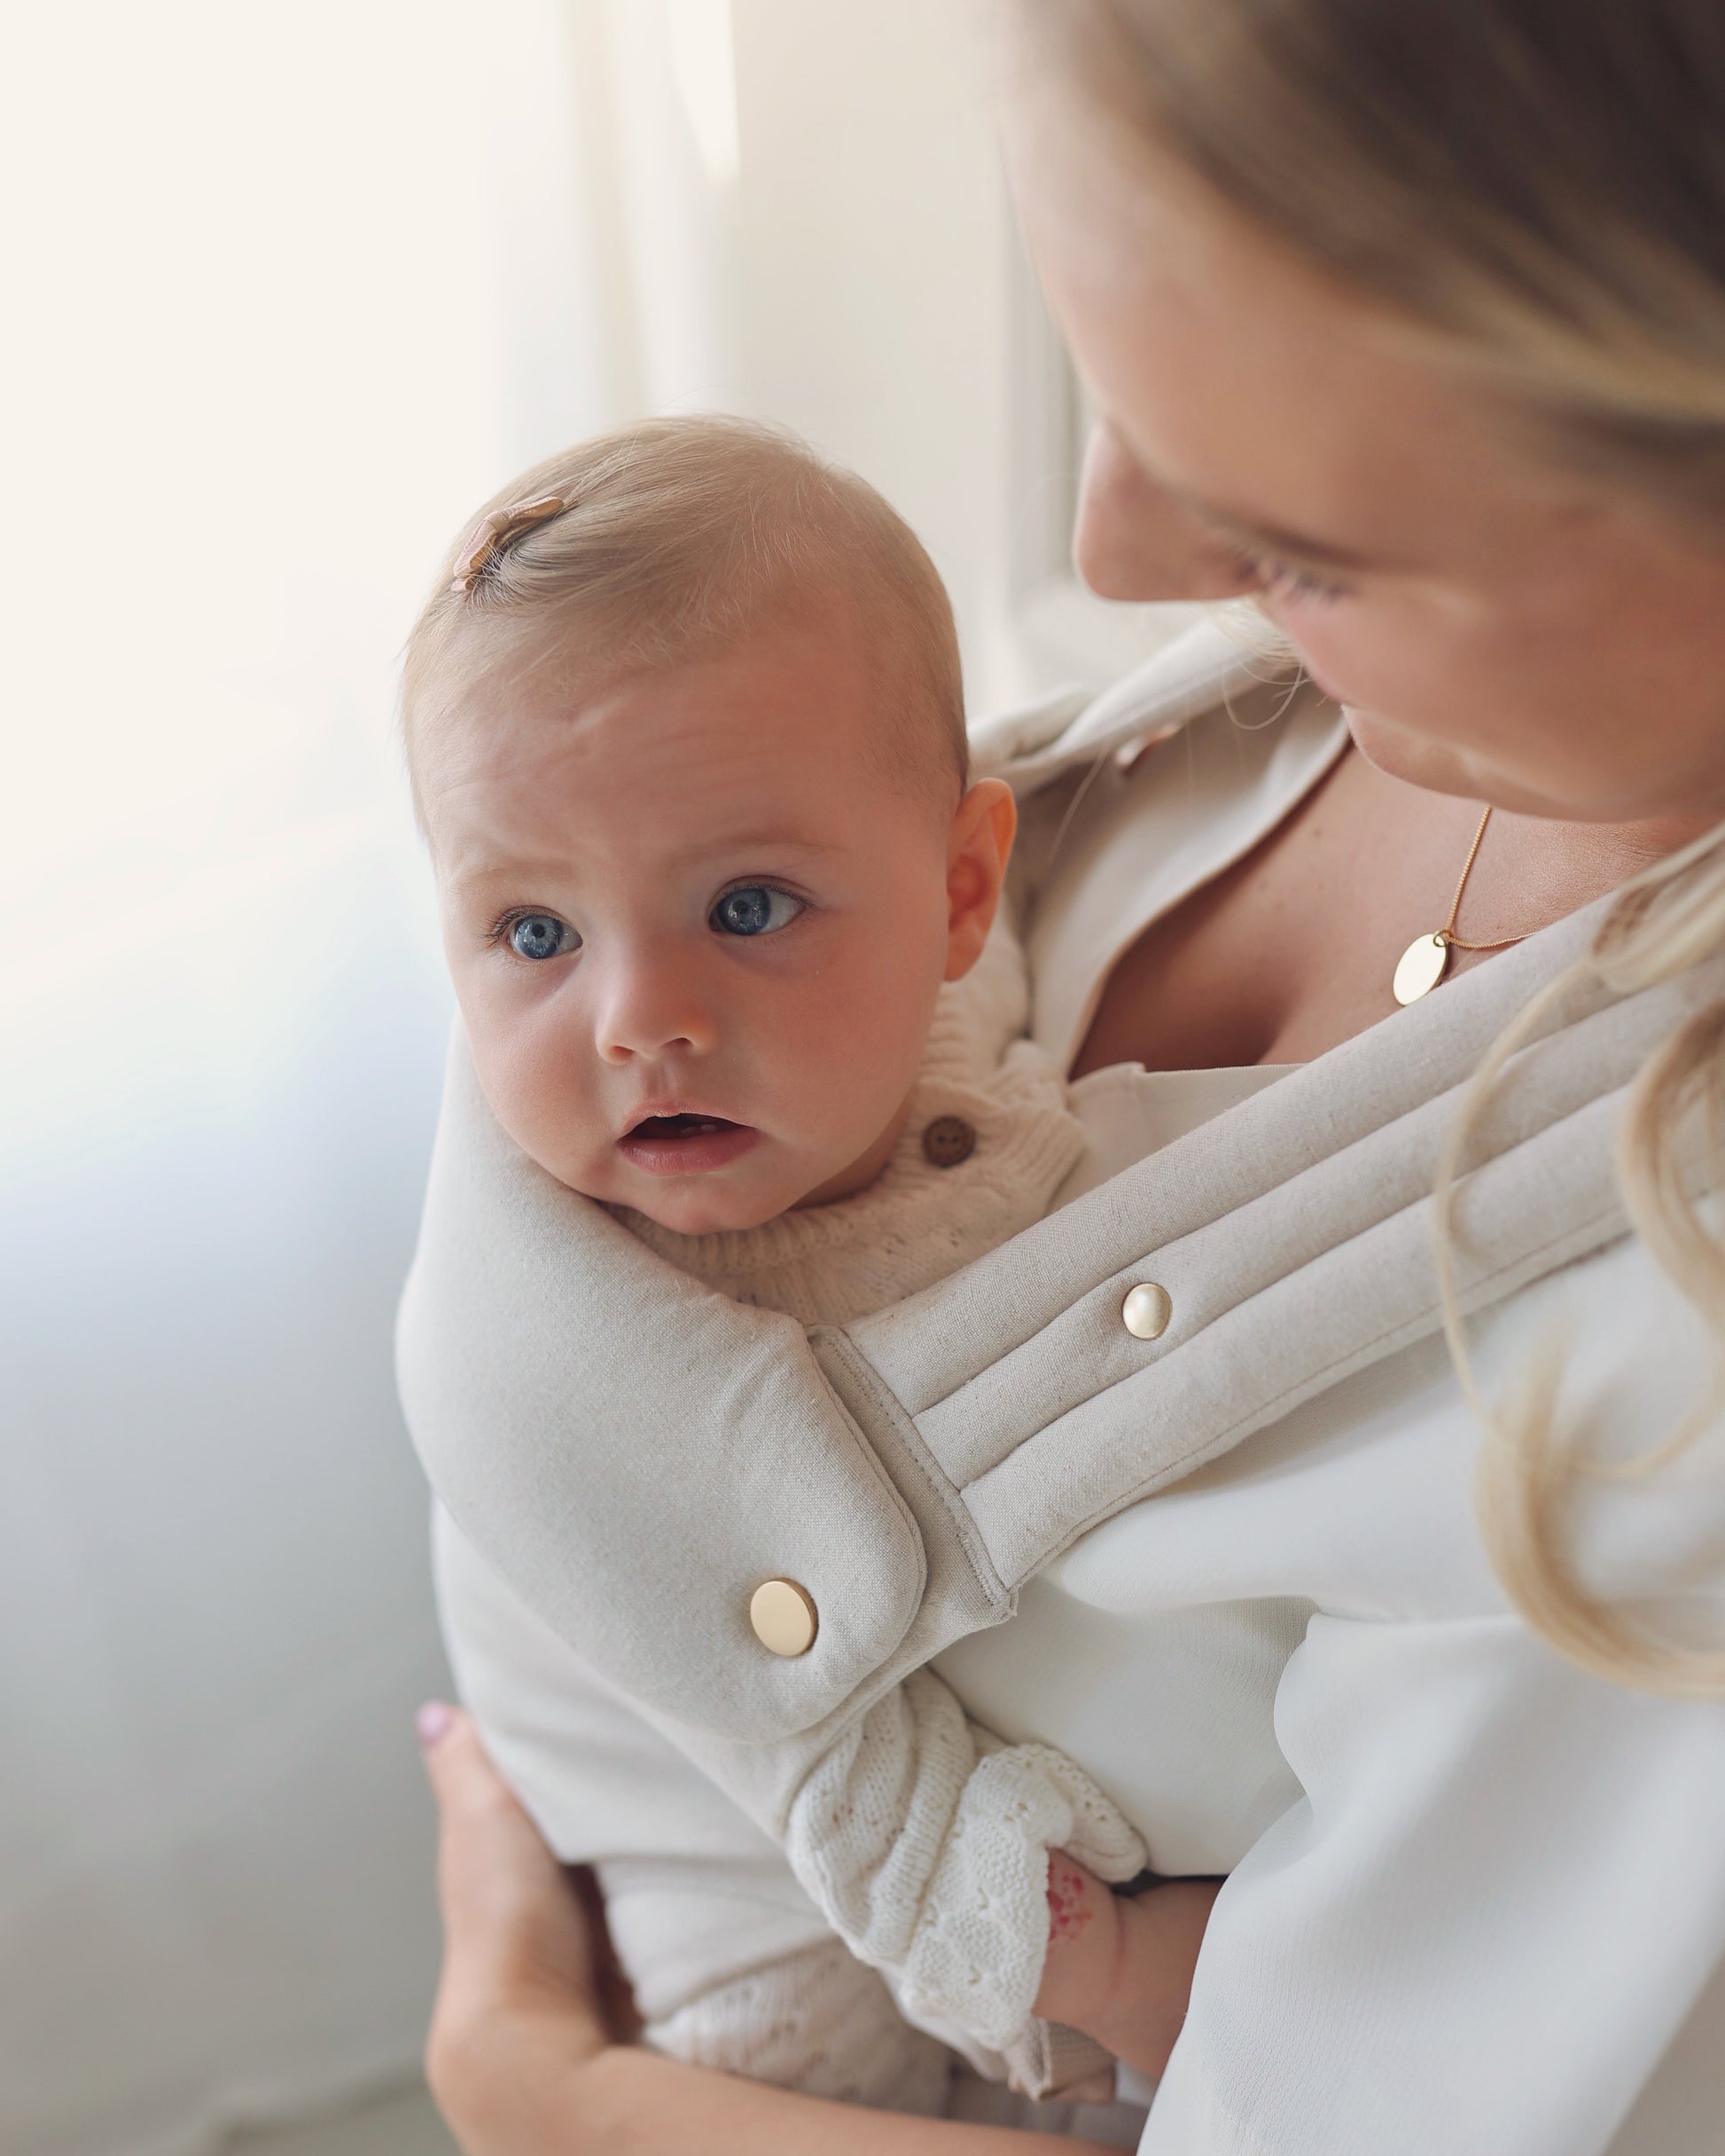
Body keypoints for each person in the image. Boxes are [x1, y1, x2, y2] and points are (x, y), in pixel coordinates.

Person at [402, 3, 1725, 2151]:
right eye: (1103, 369)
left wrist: (549, 2096)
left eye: (1299, 529)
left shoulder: (1666, 1361)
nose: (1109, 555)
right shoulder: (1276, 716)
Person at [398, 414, 1222, 2111]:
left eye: (749, 908)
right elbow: (831, 1770)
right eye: (534, 933)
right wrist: (1110, 1977)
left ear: (961, 894)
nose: (640, 1021)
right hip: (738, 1882)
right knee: (804, 2060)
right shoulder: (593, 1360)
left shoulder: (948, 1016)